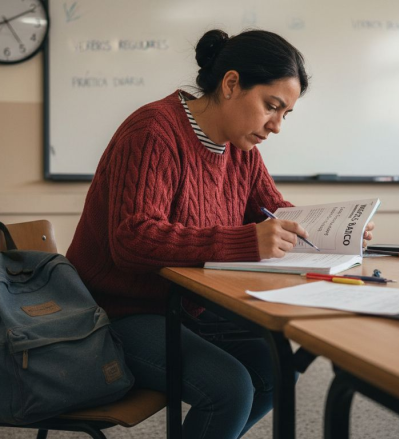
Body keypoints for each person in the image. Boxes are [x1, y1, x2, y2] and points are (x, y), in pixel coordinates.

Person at [67, 29, 374, 438]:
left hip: (183, 305)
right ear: (231, 84)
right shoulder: (153, 131)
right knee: (230, 388)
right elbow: (132, 239)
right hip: (113, 312)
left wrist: (340, 232)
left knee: (278, 370)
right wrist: (246, 240)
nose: (276, 126)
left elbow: (277, 214)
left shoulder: (241, 151)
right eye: (271, 106)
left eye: (285, 114)